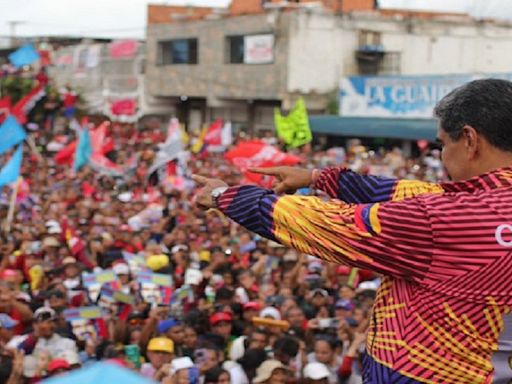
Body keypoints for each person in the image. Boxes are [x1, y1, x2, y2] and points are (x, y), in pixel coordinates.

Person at [193, 78, 512, 383]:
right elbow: (411, 191)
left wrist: (227, 196)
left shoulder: (450, 218)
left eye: (442, 144)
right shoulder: (470, 202)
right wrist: (317, 178)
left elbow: (328, 225)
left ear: (469, 140)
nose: (441, 159)